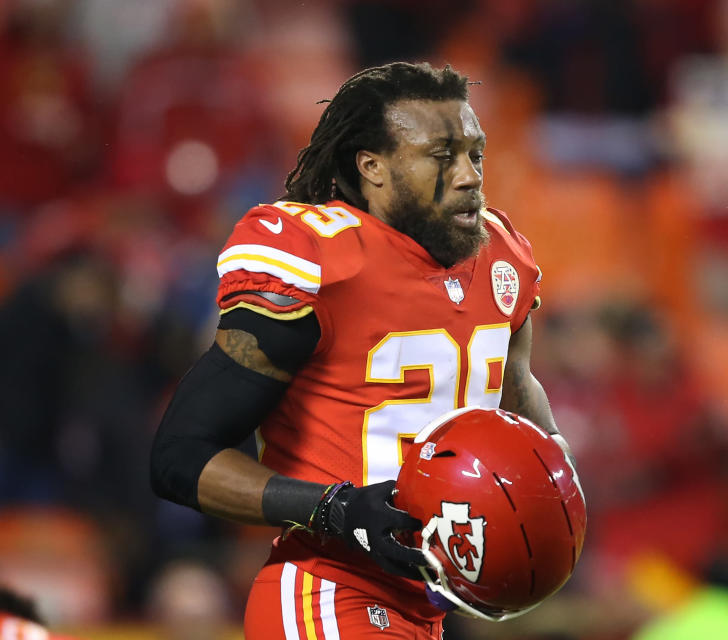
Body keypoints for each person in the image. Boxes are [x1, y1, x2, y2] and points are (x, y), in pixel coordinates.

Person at [150, 62, 574, 640]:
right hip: (331, 590)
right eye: (441, 155)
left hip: (427, 610)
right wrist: (338, 509)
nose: (470, 175)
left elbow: (516, 393)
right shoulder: (319, 260)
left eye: (474, 154)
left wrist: (551, 490)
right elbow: (180, 458)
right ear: (372, 167)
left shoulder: (504, 258)